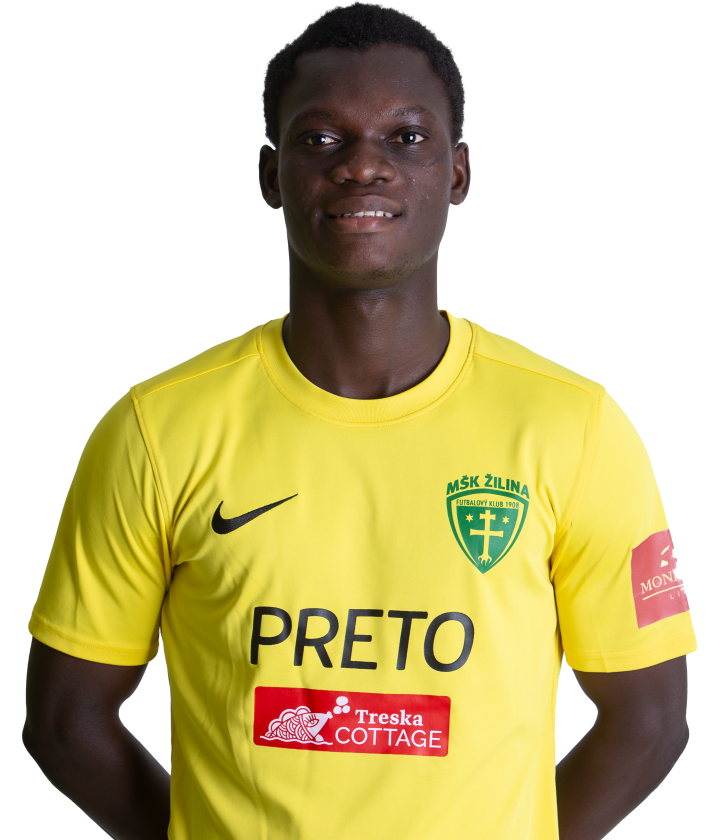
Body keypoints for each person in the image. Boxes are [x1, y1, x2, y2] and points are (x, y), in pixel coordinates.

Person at [23, 3, 696, 838]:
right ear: (272, 175)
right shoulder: (155, 431)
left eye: (406, 137)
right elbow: (66, 721)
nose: (363, 166)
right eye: (321, 138)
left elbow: (649, 721)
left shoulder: (576, 427)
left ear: (459, 173)